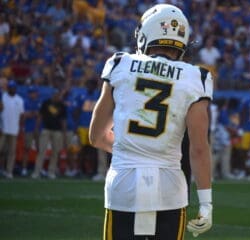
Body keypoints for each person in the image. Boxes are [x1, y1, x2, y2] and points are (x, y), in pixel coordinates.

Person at [88, 4, 213, 239]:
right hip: (170, 186)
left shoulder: (119, 64)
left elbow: (96, 136)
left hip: (123, 183)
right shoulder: (197, 77)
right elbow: (198, 148)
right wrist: (206, 203)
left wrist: (131, 152)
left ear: (145, 34)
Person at [31, 89, 67, 179]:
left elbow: (63, 120)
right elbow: (40, 116)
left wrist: (64, 132)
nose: (56, 96)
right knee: (42, 151)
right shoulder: (46, 103)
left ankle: (51, 172)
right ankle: (37, 171)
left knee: (55, 152)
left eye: (58, 95)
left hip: (57, 130)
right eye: (55, 94)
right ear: (52, 95)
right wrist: (37, 128)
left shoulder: (61, 105)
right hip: (46, 129)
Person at [0, 80, 24, 179]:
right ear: (8, 88)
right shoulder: (3, 97)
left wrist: (20, 127)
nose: (12, 89)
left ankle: (9, 171)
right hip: (2, 128)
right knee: (1, 150)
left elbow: (22, 115)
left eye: (13, 87)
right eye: (10, 87)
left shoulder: (19, 100)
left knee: (11, 152)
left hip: (14, 129)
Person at [21, 86, 41, 176]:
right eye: (31, 92)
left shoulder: (38, 102)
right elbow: (25, 115)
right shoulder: (25, 102)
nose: (33, 94)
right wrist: (33, 114)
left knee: (39, 149)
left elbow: (39, 115)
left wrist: (32, 114)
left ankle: (38, 169)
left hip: (38, 128)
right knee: (26, 148)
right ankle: (24, 168)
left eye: (34, 92)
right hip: (28, 128)